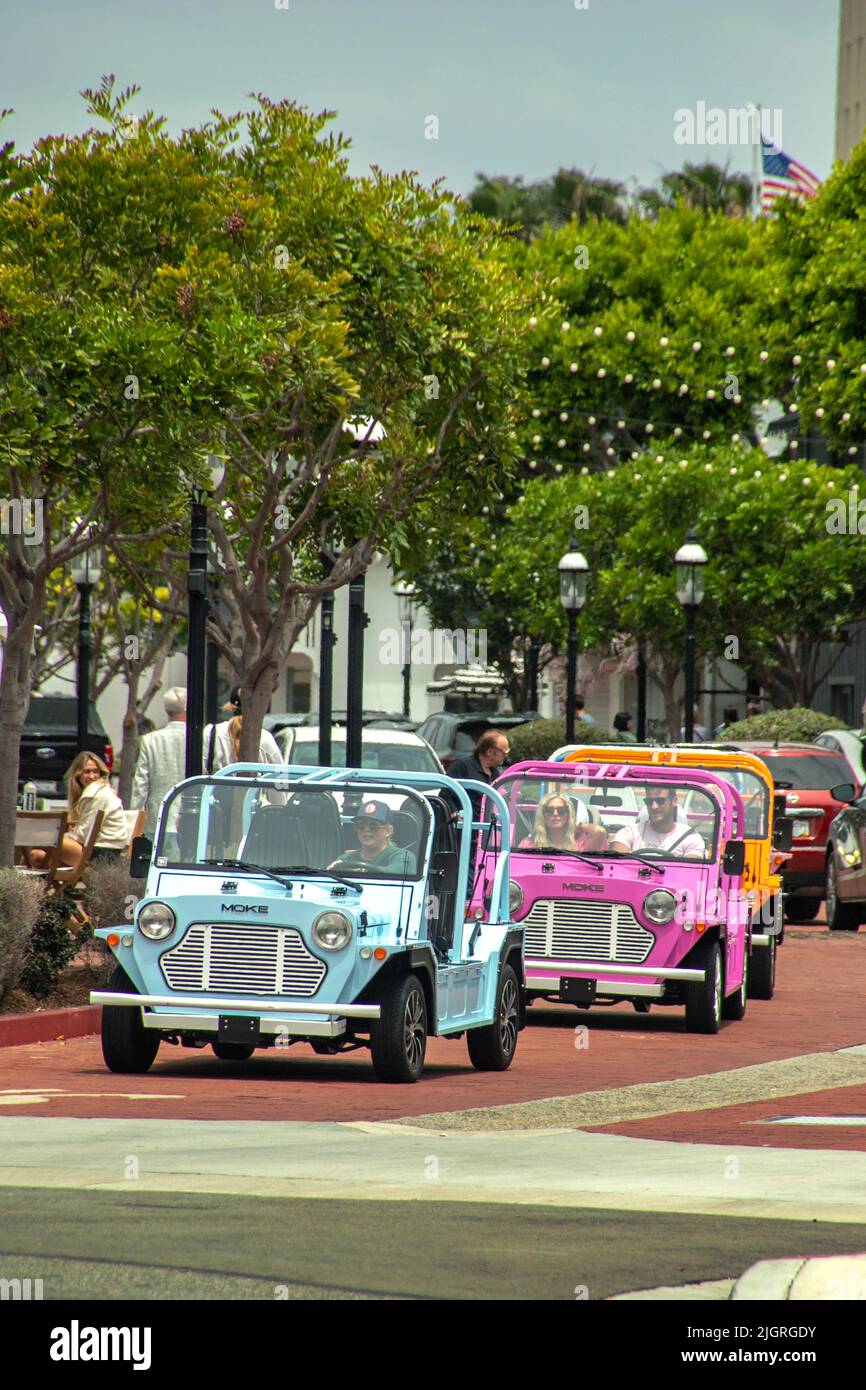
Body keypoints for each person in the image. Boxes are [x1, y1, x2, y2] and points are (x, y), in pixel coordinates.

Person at [28, 751, 129, 873]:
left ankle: (13, 880)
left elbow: (84, 834)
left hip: (102, 854)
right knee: (37, 856)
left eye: (95, 771)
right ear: (77, 774)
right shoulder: (94, 792)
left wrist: (61, 837)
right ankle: (31, 889)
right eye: (87, 772)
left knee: (37, 838)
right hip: (92, 849)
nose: (92, 776)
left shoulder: (97, 794)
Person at [130, 686, 188, 837]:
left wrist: (134, 820)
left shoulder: (150, 740)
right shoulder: (201, 738)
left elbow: (140, 785)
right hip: (188, 818)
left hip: (156, 819)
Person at [611, 785, 705, 858]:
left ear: (674, 801)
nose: (654, 807)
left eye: (660, 801)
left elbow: (690, 875)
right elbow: (618, 867)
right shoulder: (630, 832)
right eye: (649, 801)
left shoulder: (691, 838)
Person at [203, 686, 281, 771]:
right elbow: (282, 778)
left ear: (231, 707)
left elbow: (200, 773)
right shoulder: (265, 738)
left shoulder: (211, 733)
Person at [329, 800, 415, 873]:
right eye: (360, 825)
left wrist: (361, 871)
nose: (366, 829)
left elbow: (394, 873)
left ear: (388, 831)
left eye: (373, 826)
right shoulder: (346, 859)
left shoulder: (403, 857)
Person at [447, 729, 511, 823]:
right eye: (504, 753)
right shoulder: (462, 766)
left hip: (487, 830)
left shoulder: (495, 773)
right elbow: (446, 793)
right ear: (490, 752)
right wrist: (455, 814)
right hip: (465, 829)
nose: (506, 756)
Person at [519, 792, 607, 853]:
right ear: (542, 814)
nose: (555, 814)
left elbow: (600, 832)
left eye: (562, 810)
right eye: (549, 810)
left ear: (569, 814)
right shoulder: (528, 844)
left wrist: (578, 826)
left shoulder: (581, 844)